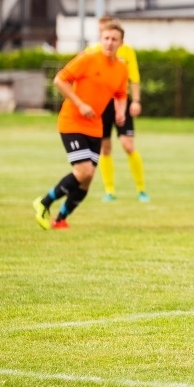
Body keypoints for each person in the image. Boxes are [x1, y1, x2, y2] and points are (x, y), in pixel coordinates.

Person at [33, 21, 129, 230]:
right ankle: (44, 202)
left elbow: (121, 94)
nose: (109, 43)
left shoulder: (121, 68)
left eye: (114, 39)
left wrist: (121, 111)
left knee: (87, 179)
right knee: (84, 171)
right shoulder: (88, 58)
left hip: (95, 127)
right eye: (106, 38)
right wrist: (80, 103)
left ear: (121, 42)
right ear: (100, 39)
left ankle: (60, 220)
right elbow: (60, 80)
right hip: (72, 122)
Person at [87, 15, 149, 203]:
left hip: (122, 103)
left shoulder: (127, 52)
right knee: (105, 149)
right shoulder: (91, 52)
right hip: (101, 106)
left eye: (112, 36)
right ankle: (110, 191)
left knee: (128, 145)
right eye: (103, 34)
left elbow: (134, 77)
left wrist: (136, 101)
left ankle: (141, 190)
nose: (108, 40)